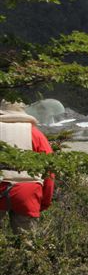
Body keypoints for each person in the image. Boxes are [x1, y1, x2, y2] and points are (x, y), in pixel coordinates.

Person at [0, 100, 55, 234]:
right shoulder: (36, 134)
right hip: (27, 191)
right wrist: (44, 201)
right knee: (26, 243)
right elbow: (50, 171)